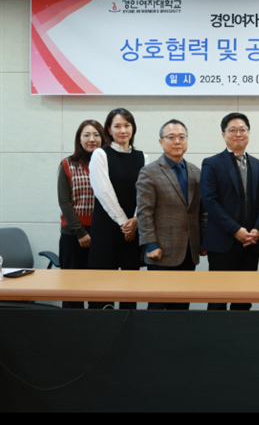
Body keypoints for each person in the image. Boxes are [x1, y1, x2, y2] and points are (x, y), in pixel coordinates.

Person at [201, 113, 259, 311]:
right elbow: (209, 201)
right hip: (222, 243)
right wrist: (235, 230)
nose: (238, 134)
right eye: (232, 130)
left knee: (244, 299)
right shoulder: (211, 163)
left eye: (242, 130)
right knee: (218, 300)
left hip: (251, 243)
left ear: (249, 133)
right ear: (223, 134)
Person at [136, 119, 206, 310]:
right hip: (161, 251)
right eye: (171, 137)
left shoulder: (195, 172)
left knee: (181, 309)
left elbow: (202, 211)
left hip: (188, 251)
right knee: (157, 307)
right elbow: (144, 212)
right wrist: (150, 244)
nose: (177, 141)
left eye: (182, 137)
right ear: (161, 141)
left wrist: (203, 242)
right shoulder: (149, 172)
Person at [88, 108, 149, 310]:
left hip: (133, 228)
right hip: (107, 227)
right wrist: (124, 222)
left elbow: (145, 193)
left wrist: (136, 220)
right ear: (109, 129)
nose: (123, 130)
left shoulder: (143, 157)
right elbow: (103, 191)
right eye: (117, 126)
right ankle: (101, 325)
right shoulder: (100, 154)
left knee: (129, 287)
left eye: (127, 125)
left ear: (133, 128)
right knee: (102, 286)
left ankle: (128, 325)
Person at [57, 119, 107, 309]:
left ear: (103, 138)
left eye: (96, 135)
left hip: (101, 234)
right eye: (86, 135)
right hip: (73, 235)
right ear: (79, 139)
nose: (91, 139)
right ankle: (72, 326)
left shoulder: (108, 164)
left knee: (100, 290)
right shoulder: (67, 164)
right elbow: (64, 202)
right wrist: (80, 232)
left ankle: (99, 325)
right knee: (72, 290)